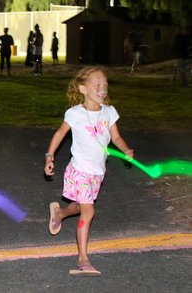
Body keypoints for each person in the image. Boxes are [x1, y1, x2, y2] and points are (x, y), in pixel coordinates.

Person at [44, 66, 134, 276]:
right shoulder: (75, 113)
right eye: (97, 85)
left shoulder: (109, 112)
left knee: (81, 206)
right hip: (79, 171)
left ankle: (60, 212)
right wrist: (49, 157)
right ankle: (83, 260)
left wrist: (125, 149)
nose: (102, 89)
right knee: (88, 210)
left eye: (105, 85)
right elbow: (59, 134)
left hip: (97, 173)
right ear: (82, 88)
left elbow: (116, 137)